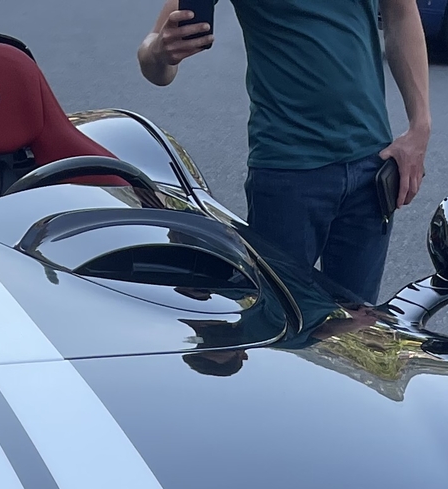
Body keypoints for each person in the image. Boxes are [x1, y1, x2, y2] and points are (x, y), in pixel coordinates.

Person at [138, 0, 432, 305]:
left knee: (356, 331)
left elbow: (401, 14)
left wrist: (419, 128)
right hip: (289, 172)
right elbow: (153, 61)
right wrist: (160, 51)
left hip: (371, 167)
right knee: (280, 325)